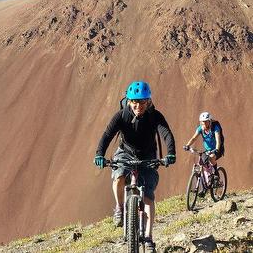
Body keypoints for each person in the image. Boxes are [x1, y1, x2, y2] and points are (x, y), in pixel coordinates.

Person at [94, 81, 176, 252]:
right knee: (119, 176)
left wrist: (170, 153)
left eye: (142, 101)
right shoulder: (121, 116)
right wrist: (99, 154)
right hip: (126, 152)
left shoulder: (155, 116)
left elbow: (166, 133)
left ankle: (148, 238)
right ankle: (120, 207)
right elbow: (107, 135)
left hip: (148, 155)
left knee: (148, 196)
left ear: (148, 101)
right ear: (129, 101)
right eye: (134, 101)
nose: (138, 105)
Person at [184, 112, 224, 192]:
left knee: (212, 157)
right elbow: (194, 138)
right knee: (203, 163)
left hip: (217, 149)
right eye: (202, 122)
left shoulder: (215, 127)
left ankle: (216, 175)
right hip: (207, 150)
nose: (204, 123)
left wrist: (216, 149)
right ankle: (204, 187)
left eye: (205, 121)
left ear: (210, 121)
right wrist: (187, 145)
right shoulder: (200, 129)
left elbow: (218, 140)